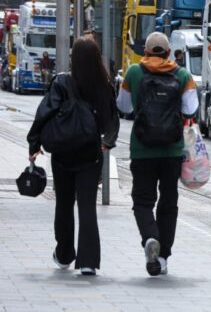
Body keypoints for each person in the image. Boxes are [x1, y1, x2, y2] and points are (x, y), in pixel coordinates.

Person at [27, 38, 119, 276]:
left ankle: (65, 253)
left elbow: (44, 112)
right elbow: (111, 119)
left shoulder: (61, 82)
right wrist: (106, 143)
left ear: (73, 58)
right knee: (87, 206)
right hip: (90, 154)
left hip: (62, 154)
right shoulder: (104, 85)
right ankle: (88, 262)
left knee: (64, 204)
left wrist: (34, 143)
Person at [116, 32, 198, 276]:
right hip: (172, 150)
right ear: (169, 53)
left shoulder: (133, 72)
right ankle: (162, 258)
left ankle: (151, 237)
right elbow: (191, 108)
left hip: (142, 150)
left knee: (142, 202)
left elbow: (123, 106)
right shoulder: (182, 75)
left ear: (146, 52)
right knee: (168, 202)